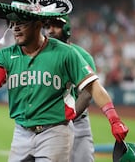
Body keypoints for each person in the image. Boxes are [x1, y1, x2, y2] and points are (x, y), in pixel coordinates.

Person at [0, 0, 129, 161]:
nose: (15, 28)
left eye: (21, 22)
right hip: (21, 132)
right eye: (12, 23)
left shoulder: (65, 53)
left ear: (37, 24)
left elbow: (93, 87)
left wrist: (114, 119)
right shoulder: (5, 55)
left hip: (55, 132)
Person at [44, 15, 95, 162]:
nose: (50, 30)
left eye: (55, 25)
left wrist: (68, 119)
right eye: (47, 26)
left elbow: (86, 95)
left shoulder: (83, 56)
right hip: (48, 123)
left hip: (77, 121)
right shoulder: (40, 56)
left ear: (66, 28)